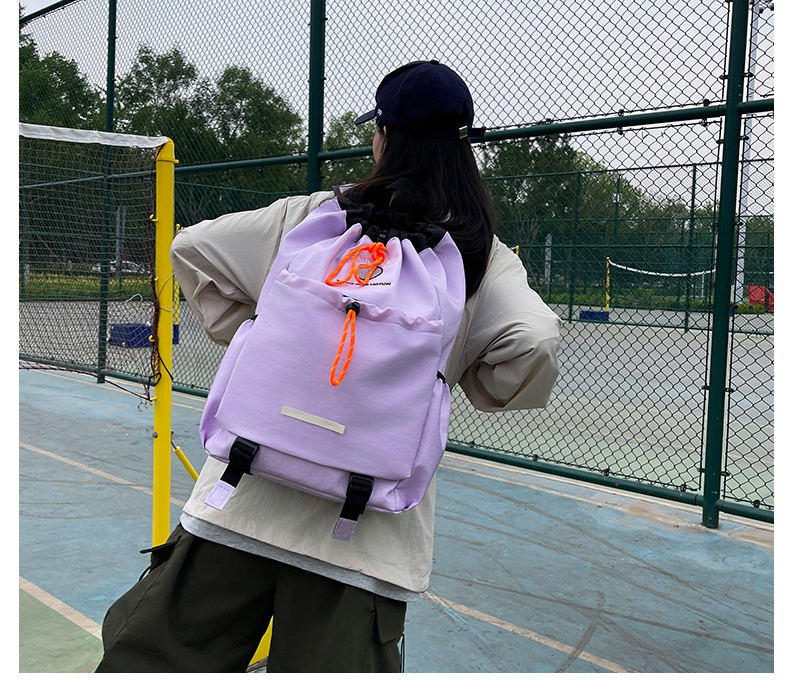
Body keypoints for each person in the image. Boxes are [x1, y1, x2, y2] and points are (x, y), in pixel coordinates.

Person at [95, 60, 561, 673]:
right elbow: (534, 342)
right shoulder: (480, 255)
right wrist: (460, 377)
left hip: (241, 500)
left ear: (383, 137)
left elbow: (193, 248)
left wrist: (265, 335)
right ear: (462, 149)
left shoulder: (315, 217)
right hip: (364, 540)